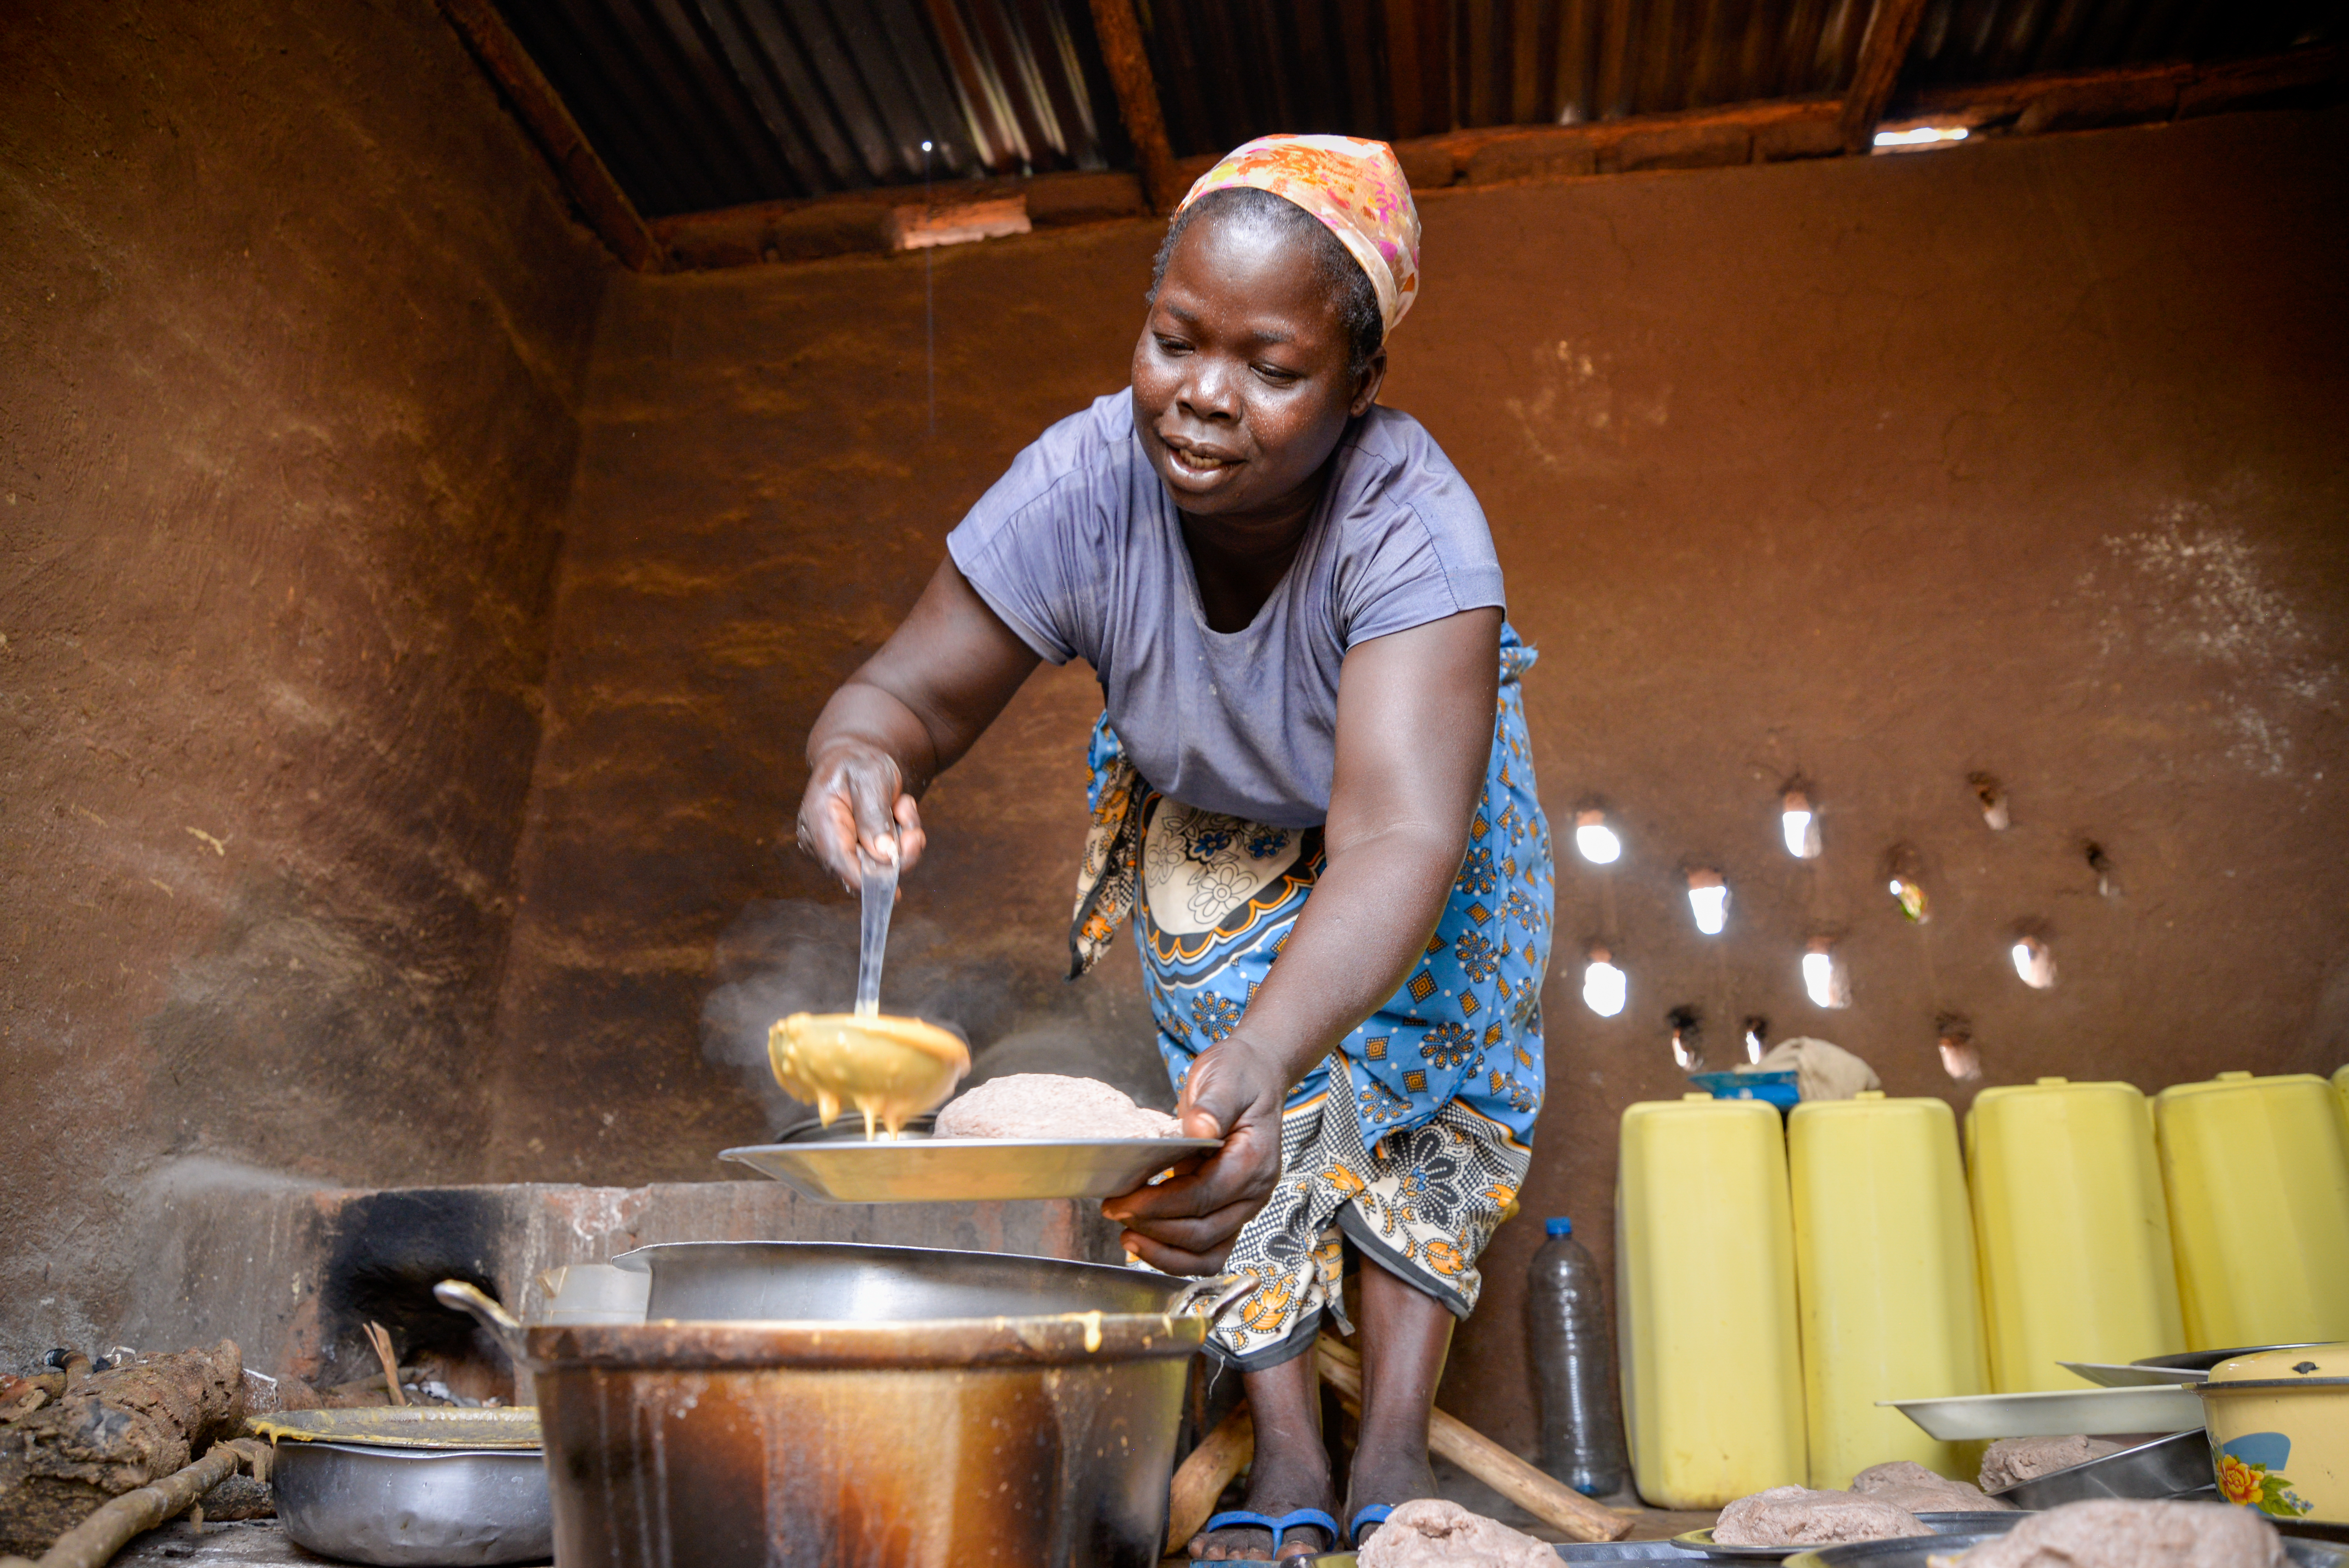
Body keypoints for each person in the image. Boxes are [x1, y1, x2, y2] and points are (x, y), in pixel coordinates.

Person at [794, 134, 1552, 1561]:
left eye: (1273, 367)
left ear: (1360, 387)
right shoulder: (1081, 483)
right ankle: (1282, 1448)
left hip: (1412, 827)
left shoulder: (1415, 524)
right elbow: (899, 697)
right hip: (1208, 812)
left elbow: (1396, 831)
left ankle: (1391, 1441)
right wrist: (856, 761)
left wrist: (1286, 1047)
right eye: (1174, 341)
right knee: (1211, 1113)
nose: (1205, 394)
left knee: (1425, 1077)